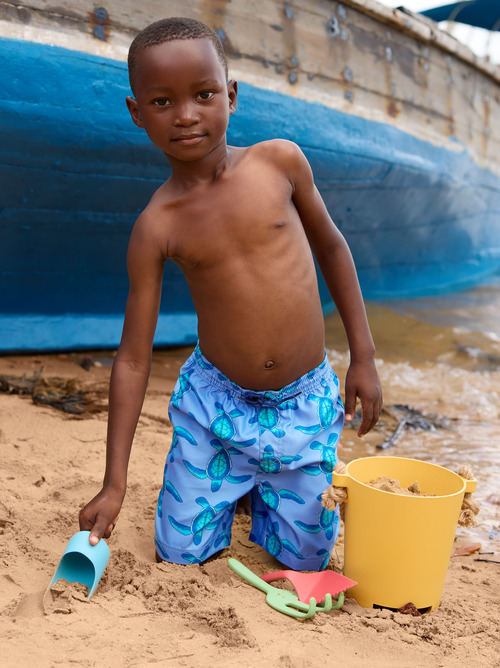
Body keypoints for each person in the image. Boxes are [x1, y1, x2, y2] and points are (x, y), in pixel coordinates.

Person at [79, 17, 382, 570]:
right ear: (136, 113)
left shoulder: (280, 163)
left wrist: (362, 357)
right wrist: (114, 484)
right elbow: (131, 360)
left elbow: (334, 251)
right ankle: (237, 481)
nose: (187, 114)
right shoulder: (157, 226)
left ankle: (262, 489)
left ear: (232, 95)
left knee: (307, 561)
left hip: (303, 403)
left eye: (204, 94)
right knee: (178, 553)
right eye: (163, 101)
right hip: (214, 410)